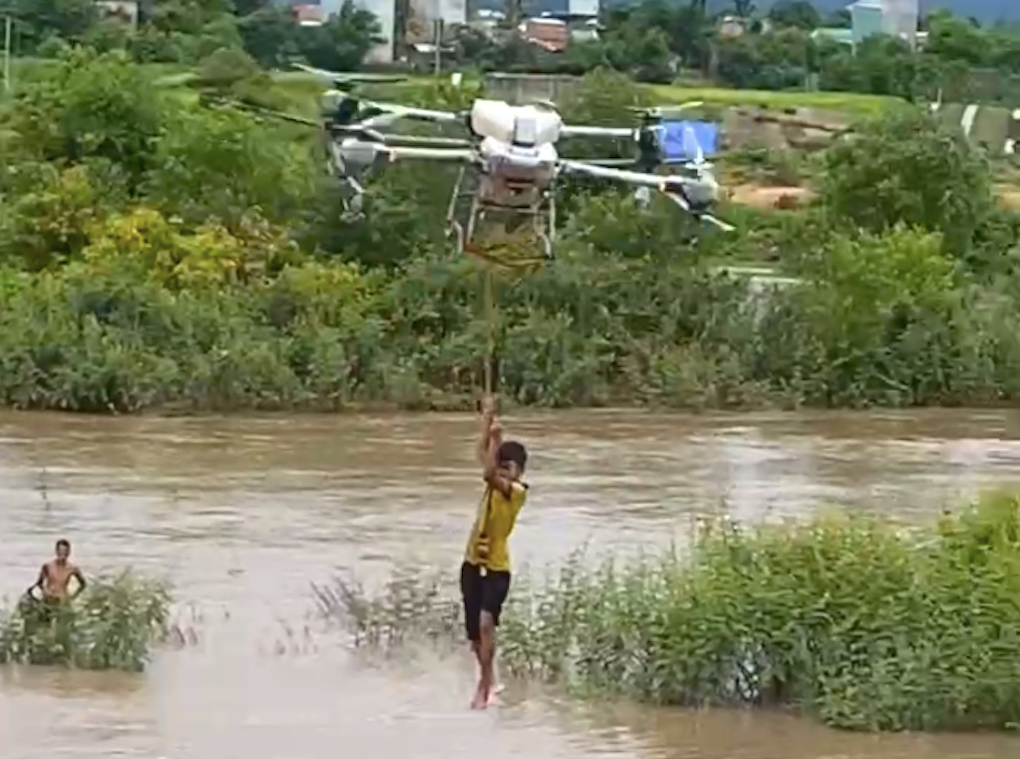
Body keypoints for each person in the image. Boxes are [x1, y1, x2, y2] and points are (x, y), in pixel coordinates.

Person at [461, 395, 528, 710]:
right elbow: (481, 456)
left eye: (510, 468)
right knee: (475, 634)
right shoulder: (494, 481)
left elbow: (488, 472)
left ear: (520, 472)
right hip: (472, 563)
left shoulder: (515, 493)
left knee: (488, 623)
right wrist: (487, 422)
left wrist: (497, 440)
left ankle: (484, 684)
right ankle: (487, 677)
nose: (505, 472)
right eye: (503, 466)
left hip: (497, 568)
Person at [26, 539, 87, 612]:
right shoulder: (48, 566)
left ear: (69, 552)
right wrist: (45, 591)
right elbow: (39, 583)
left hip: (62, 601)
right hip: (48, 600)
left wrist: (73, 596)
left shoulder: (72, 568)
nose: (63, 554)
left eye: (65, 551)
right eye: (61, 551)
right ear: (56, 551)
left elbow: (83, 584)